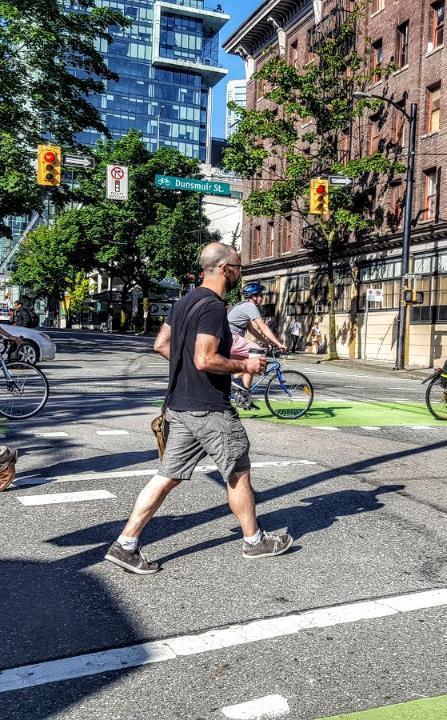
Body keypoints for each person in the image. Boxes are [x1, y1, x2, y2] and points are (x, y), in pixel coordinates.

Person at [105, 243, 293, 574]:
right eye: (237, 266)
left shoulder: (182, 303)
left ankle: (125, 544)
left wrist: (191, 367)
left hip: (179, 406)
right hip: (209, 409)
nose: (239, 272)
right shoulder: (213, 308)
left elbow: (161, 345)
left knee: (166, 476)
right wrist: (244, 364)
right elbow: (205, 358)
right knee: (237, 471)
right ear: (225, 269)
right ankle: (254, 542)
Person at [227, 282, 287, 400]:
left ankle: (244, 397)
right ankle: (234, 379)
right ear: (253, 296)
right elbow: (263, 327)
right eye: (260, 295)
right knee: (257, 352)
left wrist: (267, 341)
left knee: (249, 363)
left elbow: (252, 330)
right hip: (231, 339)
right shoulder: (250, 306)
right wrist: (279, 343)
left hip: (229, 340)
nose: (262, 297)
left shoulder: (243, 306)